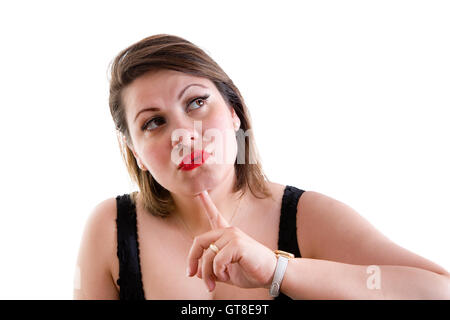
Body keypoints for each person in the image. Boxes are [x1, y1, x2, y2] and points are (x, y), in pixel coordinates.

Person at [74, 34, 450, 300]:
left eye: (196, 103)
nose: (184, 135)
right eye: (153, 123)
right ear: (135, 152)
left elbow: (438, 291)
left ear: (234, 112)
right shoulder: (110, 229)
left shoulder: (305, 216)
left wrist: (277, 271)